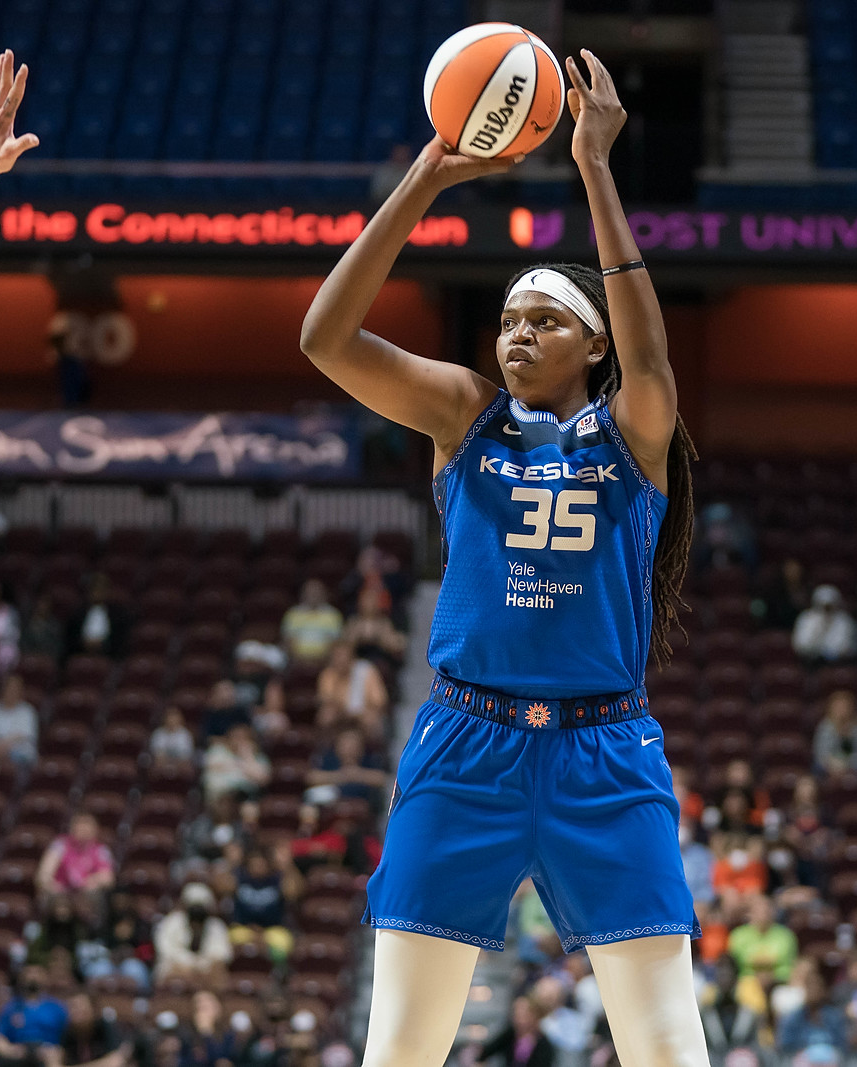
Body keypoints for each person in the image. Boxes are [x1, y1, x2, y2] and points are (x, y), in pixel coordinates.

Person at [304, 50, 709, 1065]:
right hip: (464, 745)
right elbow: (325, 336)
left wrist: (595, 168)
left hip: (603, 756)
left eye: (544, 322)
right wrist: (423, 181)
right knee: (397, 1050)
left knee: (670, 1050)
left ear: (594, 348)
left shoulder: (635, 428)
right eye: (507, 320)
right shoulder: (463, 417)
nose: (516, 335)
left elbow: (652, 358)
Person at [230, 845, 303, 963]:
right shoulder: (240, 878)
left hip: (272, 931)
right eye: (254, 864)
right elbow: (221, 886)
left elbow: (292, 893)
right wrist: (232, 864)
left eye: (261, 864)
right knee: (228, 942)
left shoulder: (277, 879)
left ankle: (276, 975)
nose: (257, 868)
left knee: (283, 943)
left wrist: (287, 866)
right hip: (243, 929)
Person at [152, 882, 232, 984]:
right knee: (168, 968)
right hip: (178, 968)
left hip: (206, 971)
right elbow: (166, 951)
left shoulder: (216, 926)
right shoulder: (171, 922)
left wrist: (200, 967)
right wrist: (188, 966)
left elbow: (222, 954)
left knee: (219, 972)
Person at [36, 813, 116, 908]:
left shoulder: (101, 850)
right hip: (61, 895)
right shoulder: (60, 845)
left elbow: (108, 878)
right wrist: (52, 885)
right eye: (79, 824)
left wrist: (91, 881)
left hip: (86, 897)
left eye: (86, 825)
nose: (83, 829)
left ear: (95, 829)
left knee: (93, 895)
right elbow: (43, 874)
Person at [0, 965, 68, 1062]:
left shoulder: (57, 1007)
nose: (32, 976)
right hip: (19, 1055)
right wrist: (10, 1050)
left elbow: (68, 1038)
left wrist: (58, 1051)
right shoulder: (10, 1008)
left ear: (45, 977)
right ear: (21, 978)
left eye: (37, 973)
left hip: (48, 1054)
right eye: (28, 973)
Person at [315, 640, 388, 739]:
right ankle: (328, 751)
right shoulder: (328, 674)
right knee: (326, 716)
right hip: (341, 713)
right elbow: (326, 700)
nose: (341, 661)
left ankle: (370, 752)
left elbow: (380, 701)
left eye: (344, 657)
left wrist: (357, 712)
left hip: (362, 712)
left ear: (352, 658)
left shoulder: (366, 671)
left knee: (371, 720)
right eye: (337, 658)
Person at [776, 968, 849, 1063]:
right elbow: (785, 1046)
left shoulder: (835, 1016)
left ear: (823, 991)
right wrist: (805, 1054)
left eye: (817, 988)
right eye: (810, 988)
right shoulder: (792, 1018)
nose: (813, 992)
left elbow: (842, 1045)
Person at [306, 727, 387, 807]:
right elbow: (312, 777)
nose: (350, 749)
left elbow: (383, 779)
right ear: (337, 746)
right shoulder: (328, 759)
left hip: (363, 808)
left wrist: (357, 774)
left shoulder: (370, 760)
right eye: (345, 744)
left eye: (354, 745)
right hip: (332, 807)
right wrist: (341, 776)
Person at [726, 893, 796, 985]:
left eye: (767, 910)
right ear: (750, 913)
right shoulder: (738, 935)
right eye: (759, 910)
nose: (764, 914)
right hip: (746, 981)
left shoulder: (786, 935)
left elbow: (789, 964)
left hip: (780, 982)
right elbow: (736, 962)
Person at [468, 996, 556, 1067]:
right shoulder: (510, 1034)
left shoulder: (543, 1044)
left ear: (534, 1016)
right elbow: (487, 1051)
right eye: (516, 1013)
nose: (519, 1019)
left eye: (524, 1014)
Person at [53, 991, 132, 1067]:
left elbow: (116, 1062)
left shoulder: (106, 1027)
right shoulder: (67, 1031)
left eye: (80, 1007)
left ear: (93, 1009)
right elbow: (53, 1063)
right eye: (71, 1007)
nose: (75, 1012)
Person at [342, 584, 408, 672]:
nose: (369, 604)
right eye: (365, 600)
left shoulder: (385, 622)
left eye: (372, 600)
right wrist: (358, 637)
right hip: (355, 663)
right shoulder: (353, 622)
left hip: (379, 662)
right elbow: (344, 645)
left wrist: (379, 637)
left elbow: (397, 645)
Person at [202, 723, 271, 803]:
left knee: (249, 809)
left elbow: (262, 780)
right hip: (220, 797)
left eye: (244, 738)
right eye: (236, 737)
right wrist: (240, 765)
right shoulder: (218, 751)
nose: (239, 741)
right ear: (229, 738)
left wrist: (248, 756)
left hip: (246, 798)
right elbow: (210, 768)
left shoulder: (257, 757)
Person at [281, 579, 344, 663]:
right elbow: (288, 641)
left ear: (323, 594)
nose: (313, 595)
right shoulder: (293, 614)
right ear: (303, 594)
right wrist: (298, 659)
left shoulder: (332, 615)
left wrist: (322, 659)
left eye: (316, 592)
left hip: (324, 661)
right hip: (297, 661)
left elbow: (335, 644)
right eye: (310, 592)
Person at [0, 673, 38, 763]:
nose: (11, 691)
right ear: (2, 689)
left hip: (21, 759)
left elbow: (22, 739)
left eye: (15, 688)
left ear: (21, 691)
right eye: (9, 687)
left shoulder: (27, 712)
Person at [68, 574, 129, 659]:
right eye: (94, 589)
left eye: (101, 589)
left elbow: (120, 639)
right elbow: (70, 637)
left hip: (109, 656)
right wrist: (84, 644)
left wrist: (103, 644)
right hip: (82, 654)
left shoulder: (118, 615)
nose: (97, 593)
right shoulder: (77, 613)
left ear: (107, 591)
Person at [813, 690, 857, 777]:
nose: (841, 710)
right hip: (828, 766)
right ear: (831, 708)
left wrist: (845, 766)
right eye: (838, 706)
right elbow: (821, 754)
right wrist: (833, 765)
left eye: (844, 706)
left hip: (852, 766)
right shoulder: (825, 726)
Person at [793, 585, 855, 662]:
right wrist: (820, 627)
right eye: (823, 606)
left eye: (830, 606)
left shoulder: (844, 619)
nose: (827, 610)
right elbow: (801, 645)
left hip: (836, 663)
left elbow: (845, 647)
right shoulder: (806, 618)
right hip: (810, 661)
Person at [19, 594, 65, 665]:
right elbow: (23, 643)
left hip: (48, 658)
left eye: (45, 605)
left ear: (49, 606)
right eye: (40, 604)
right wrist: (31, 655)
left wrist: (46, 656)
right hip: (30, 658)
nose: (42, 607)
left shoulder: (55, 626)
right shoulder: (28, 624)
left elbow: (57, 647)